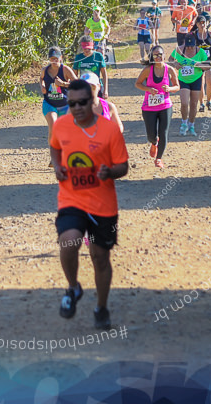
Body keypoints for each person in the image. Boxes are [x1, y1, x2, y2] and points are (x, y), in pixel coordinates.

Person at [50, 79, 129, 331]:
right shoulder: (61, 126)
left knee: (100, 257)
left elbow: (123, 166)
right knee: (68, 241)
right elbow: (54, 146)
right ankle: (73, 287)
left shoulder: (109, 130)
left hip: (103, 204)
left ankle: (101, 307)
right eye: (71, 104)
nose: (77, 108)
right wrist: (57, 165)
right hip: (71, 199)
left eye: (82, 103)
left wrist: (110, 172)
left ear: (93, 101)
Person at [135, 44, 180, 170]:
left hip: (165, 105)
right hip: (149, 107)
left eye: (160, 54)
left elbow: (177, 86)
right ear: (152, 57)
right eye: (155, 55)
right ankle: (154, 143)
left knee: (163, 133)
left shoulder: (169, 69)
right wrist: (148, 89)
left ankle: (159, 158)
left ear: (164, 55)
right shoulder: (148, 70)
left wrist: (170, 89)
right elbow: (138, 84)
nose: (158, 57)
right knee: (151, 135)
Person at [170, 36, 209, 137]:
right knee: (184, 103)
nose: (190, 48)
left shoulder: (200, 52)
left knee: (194, 104)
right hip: (183, 80)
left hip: (196, 79)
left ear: (195, 45)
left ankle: (191, 125)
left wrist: (197, 64)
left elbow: (208, 65)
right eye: (188, 46)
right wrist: (175, 64)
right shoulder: (179, 49)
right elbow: (170, 60)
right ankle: (184, 124)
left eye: (191, 46)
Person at [41, 46, 76, 149]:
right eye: (52, 59)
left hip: (65, 105)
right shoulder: (45, 70)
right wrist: (42, 86)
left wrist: (63, 84)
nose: (54, 61)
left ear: (61, 57)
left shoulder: (65, 69)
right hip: (49, 103)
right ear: (49, 59)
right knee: (53, 125)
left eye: (56, 58)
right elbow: (41, 78)